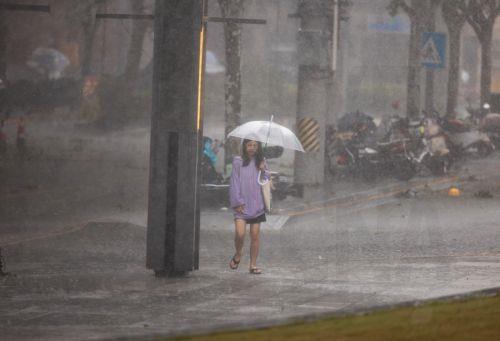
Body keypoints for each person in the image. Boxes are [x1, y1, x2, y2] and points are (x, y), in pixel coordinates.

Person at [229, 139, 269, 274]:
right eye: (249, 145)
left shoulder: (262, 161)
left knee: (255, 236)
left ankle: (253, 265)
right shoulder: (237, 161)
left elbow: (266, 181)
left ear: (258, 147)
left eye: (255, 145)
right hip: (242, 205)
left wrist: (263, 170)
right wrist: (237, 202)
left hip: (257, 205)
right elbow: (234, 182)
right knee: (240, 234)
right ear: (245, 146)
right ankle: (238, 253)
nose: (252, 148)